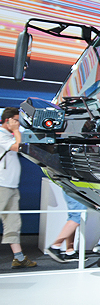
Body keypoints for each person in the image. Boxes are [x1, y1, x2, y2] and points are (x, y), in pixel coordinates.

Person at [0, 107, 37, 269]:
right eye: (16, 120)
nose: (18, 124)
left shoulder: (10, 135)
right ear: (8, 120)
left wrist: (15, 131)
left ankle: (19, 257)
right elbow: (19, 147)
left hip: (11, 186)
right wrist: (16, 131)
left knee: (13, 223)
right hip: (1, 185)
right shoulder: (1, 135)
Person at [44, 194, 85, 263]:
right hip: (77, 190)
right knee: (77, 218)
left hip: (71, 190)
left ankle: (70, 251)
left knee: (73, 217)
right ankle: (56, 245)